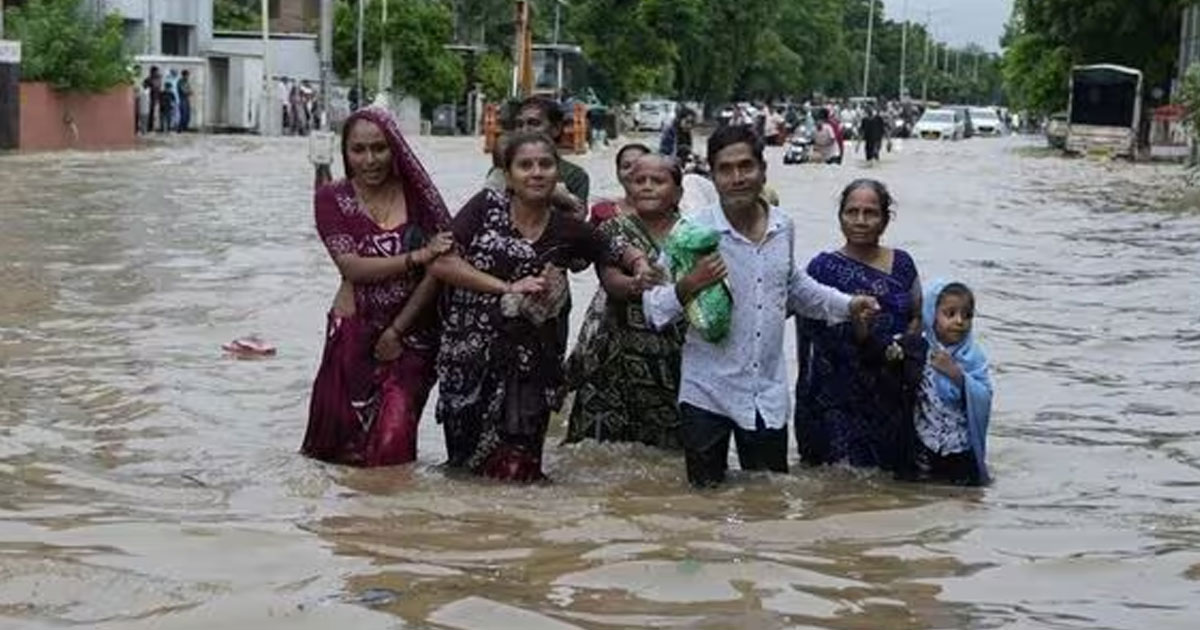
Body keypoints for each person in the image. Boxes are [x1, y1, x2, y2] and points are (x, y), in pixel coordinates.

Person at [643, 126, 880, 488]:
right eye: (725, 169)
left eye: (745, 166)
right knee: (702, 506)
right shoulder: (690, 234)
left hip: (765, 394)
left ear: (763, 170)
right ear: (713, 175)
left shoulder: (783, 226)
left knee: (767, 505)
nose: (737, 178)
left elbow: (795, 287)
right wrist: (690, 284)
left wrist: (849, 305)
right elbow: (654, 308)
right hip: (706, 391)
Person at [431, 132, 655, 482]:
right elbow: (441, 263)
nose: (536, 173)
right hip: (471, 361)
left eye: (545, 165)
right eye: (525, 165)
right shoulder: (484, 207)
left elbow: (610, 244)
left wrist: (639, 263)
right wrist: (506, 287)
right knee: (464, 472)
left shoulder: (566, 228)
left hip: (532, 367)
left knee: (521, 474)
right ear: (508, 175)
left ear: (557, 174)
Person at [301, 106, 454, 467]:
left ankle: (393, 521)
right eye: (359, 150)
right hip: (354, 332)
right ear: (345, 152)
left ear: (395, 149)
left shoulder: (419, 197)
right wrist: (416, 257)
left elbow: (446, 261)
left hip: (414, 334)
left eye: (380, 148)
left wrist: (399, 330)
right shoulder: (331, 198)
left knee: (393, 443)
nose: (370, 160)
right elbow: (351, 266)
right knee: (339, 453)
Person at [794, 179, 921, 472]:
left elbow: (917, 315)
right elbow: (806, 324)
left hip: (891, 394)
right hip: (836, 399)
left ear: (885, 219)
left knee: (888, 483)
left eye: (870, 213)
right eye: (852, 212)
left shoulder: (903, 264)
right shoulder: (822, 269)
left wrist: (901, 349)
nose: (860, 221)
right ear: (840, 217)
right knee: (840, 484)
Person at [565, 155, 686, 448]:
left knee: (670, 457)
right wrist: (635, 284)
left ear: (678, 192)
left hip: (675, 359)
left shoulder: (693, 232)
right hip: (615, 357)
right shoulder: (613, 229)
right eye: (638, 181)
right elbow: (610, 279)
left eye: (657, 181)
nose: (646, 187)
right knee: (600, 454)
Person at [856, 280, 992, 485]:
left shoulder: (974, 358)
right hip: (922, 448)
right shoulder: (915, 348)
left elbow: (984, 397)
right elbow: (876, 356)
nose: (959, 321)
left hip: (960, 449)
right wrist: (863, 327)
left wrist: (957, 375)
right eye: (950, 313)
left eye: (967, 315)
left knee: (966, 502)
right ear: (931, 314)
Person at [511, 96, 589, 221]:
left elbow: (577, 219)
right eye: (519, 124)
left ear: (556, 129)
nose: (524, 131)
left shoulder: (574, 175)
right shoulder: (504, 170)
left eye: (534, 123)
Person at [588, 143, 651, 227]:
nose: (632, 171)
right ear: (618, 173)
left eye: (639, 166)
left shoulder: (667, 214)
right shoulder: (602, 212)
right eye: (626, 166)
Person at [143, 66, 162, 133]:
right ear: (152, 72)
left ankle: (153, 127)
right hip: (149, 98)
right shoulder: (148, 80)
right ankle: (148, 127)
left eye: (157, 71)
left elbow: (159, 88)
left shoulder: (158, 79)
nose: (157, 73)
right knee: (148, 113)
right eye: (156, 71)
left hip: (156, 98)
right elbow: (145, 88)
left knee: (154, 113)